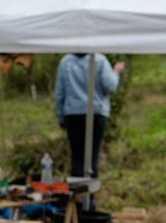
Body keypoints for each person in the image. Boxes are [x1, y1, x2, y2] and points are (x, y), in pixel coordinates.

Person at [53, 51, 123, 183]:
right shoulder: (99, 60)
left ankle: (78, 200)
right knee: (92, 159)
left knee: (77, 159)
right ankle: (89, 200)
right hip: (96, 113)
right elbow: (109, 85)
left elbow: (59, 94)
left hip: (73, 114)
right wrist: (116, 72)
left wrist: (61, 118)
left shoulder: (65, 62)